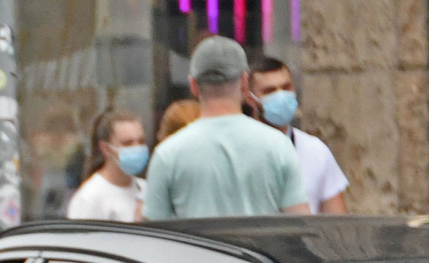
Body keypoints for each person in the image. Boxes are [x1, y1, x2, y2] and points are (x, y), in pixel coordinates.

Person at [144, 35, 308, 220]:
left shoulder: (167, 155)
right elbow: (301, 223)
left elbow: (153, 236)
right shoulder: (279, 145)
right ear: (245, 82)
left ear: (193, 85)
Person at [248, 54, 349, 214]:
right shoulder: (241, 151)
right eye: (269, 91)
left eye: (286, 87)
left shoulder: (316, 150)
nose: (280, 96)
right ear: (250, 98)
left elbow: (337, 222)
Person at [66, 110, 149, 222]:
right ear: (106, 148)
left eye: (141, 141)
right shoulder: (89, 199)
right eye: (127, 143)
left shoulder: (146, 189)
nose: (137, 148)